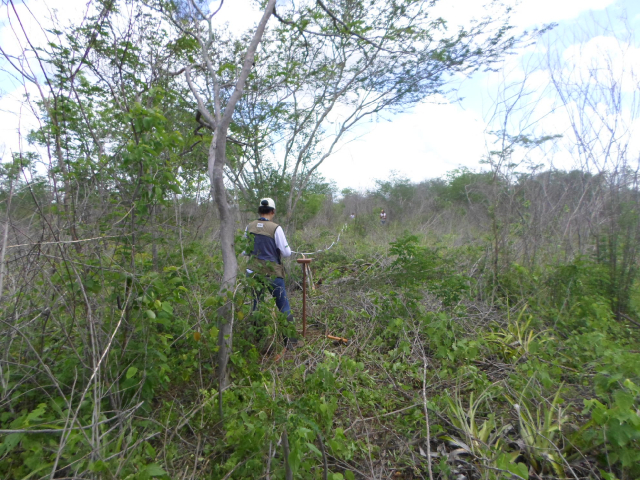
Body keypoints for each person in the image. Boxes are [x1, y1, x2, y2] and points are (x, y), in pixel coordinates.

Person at [245, 198, 297, 347]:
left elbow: (244, 250)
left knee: (256, 305)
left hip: (253, 272)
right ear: (273, 211)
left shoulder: (249, 226)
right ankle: (290, 342)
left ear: (259, 211)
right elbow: (286, 253)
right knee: (283, 306)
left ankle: (257, 341)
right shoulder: (276, 228)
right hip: (272, 273)